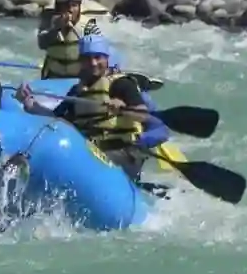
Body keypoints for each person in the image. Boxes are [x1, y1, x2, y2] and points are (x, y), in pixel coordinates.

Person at [19, 35, 169, 182]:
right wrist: (31, 104)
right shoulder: (77, 91)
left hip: (124, 152)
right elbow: (56, 118)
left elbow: (142, 115)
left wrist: (123, 108)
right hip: (92, 151)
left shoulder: (122, 84)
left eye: (98, 57)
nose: (93, 63)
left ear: (107, 59)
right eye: (87, 58)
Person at [37, 0, 104, 79]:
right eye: (65, 6)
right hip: (53, 77)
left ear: (80, 7)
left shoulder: (88, 25)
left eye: (74, 5)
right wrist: (57, 29)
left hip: (79, 78)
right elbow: (42, 44)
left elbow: (99, 52)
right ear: (58, 7)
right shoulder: (48, 23)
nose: (70, 10)